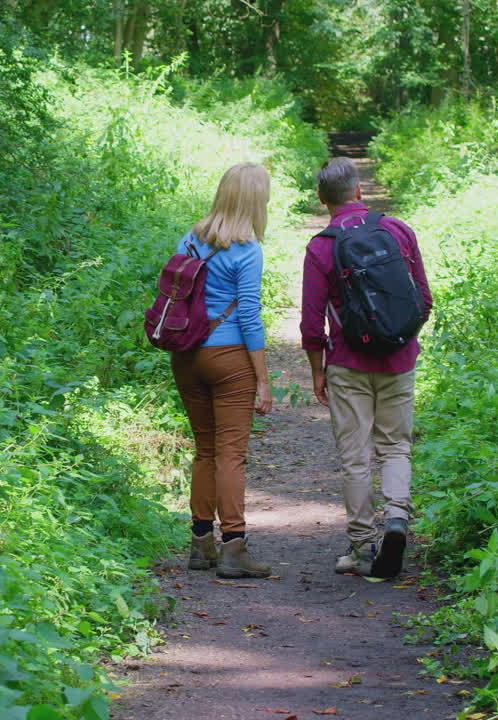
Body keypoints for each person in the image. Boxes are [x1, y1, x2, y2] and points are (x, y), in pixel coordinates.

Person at [300, 156, 433, 578]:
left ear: (322, 199)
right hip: (398, 360)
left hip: (348, 363)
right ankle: (397, 518)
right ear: (358, 190)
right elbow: (424, 299)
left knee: (355, 456)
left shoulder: (321, 246)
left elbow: (311, 323)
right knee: (396, 446)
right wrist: (400, 339)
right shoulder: (398, 230)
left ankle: (361, 547)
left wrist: (318, 370)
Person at [173, 162, 274, 579]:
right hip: (230, 357)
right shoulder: (247, 249)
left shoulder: (189, 239)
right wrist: (263, 378)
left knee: (206, 450)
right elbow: (249, 315)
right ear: (255, 200)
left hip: (186, 354)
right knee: (231, 453)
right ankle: (233, 547)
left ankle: (201, 545)